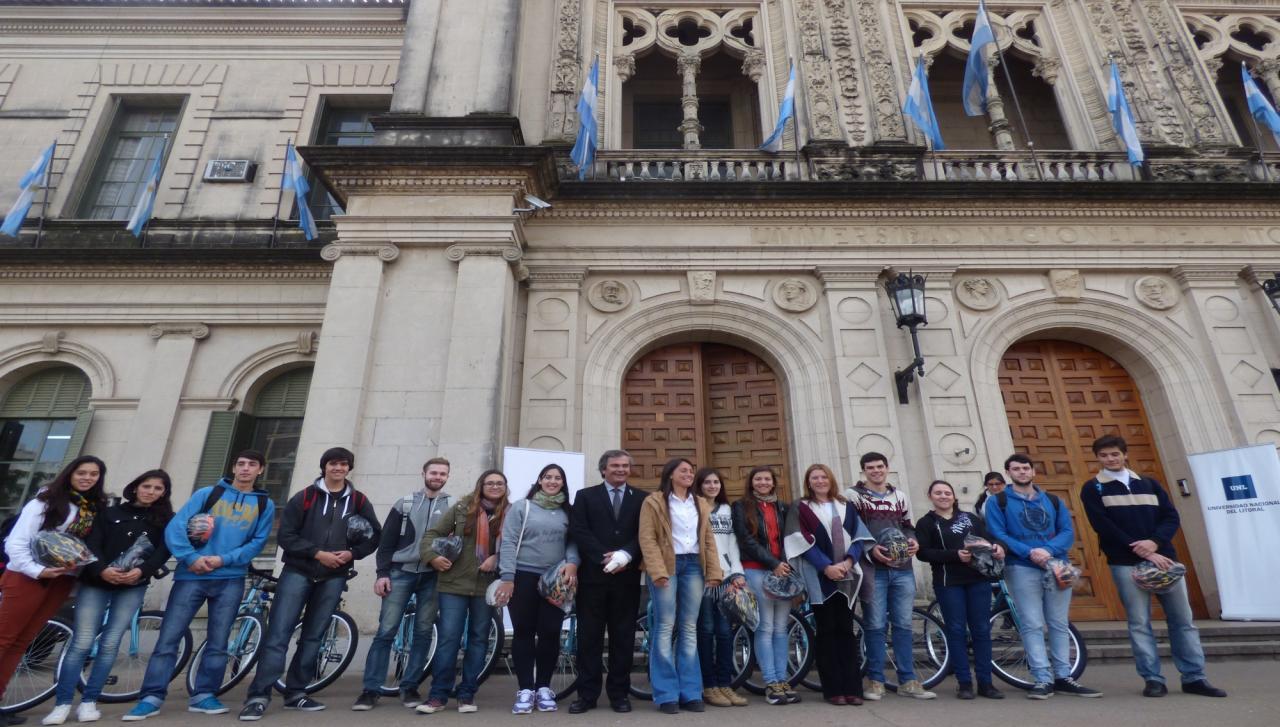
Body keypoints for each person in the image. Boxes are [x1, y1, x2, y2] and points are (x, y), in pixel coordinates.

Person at [124, 450, 274, 720]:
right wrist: (190, 557)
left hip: (230, 578)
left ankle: (204, 694)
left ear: (260, 470)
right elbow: (176, 527)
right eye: (241, 464)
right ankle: (151, 697)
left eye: (252, 465)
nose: (245, 469)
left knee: (219, 640)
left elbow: (258, 541)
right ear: (234, 467)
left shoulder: (264, 504)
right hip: (191, 576)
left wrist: (223, 559)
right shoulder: (208, 493)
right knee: (169, 638)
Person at [239, 448, 381, 720]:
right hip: (298, 572)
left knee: (314, 636)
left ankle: (296, 693)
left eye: (343, 464)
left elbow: (374, 535)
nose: (338, 468)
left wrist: (353, 554)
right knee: (278, 635)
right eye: (333, 463)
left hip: (334, 576)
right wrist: (316, 553)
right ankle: (258, 695)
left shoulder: (360, 501)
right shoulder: (304, 497)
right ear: (324, 466)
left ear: (349, 468)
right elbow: (286, 536)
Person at [1079, 435, 1226, 699]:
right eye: (1104, 455)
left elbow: (1170, 516)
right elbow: (1102, 525)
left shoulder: (1150, 483)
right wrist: (1142, 549)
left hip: (1165, 560)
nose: (1110, 459)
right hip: (1126, 562)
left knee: (1183, 621)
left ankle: (1194, 677)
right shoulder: (1093, 488)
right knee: (1139, 622)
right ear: (1097, 458)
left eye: (1114, 454)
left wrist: (1155, 543)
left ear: (1125, 454)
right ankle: (1153, 679)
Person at [46, 469, 174, 726]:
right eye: (146, 486)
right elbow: (92, 543)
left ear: (164, 493)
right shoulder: (108, 512)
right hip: (96, 582)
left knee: (110, 643)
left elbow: (163, 551)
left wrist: (142, 571)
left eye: (158, 488)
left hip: (133, 585)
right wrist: (102, 569)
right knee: (81, 641)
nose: (151, 492)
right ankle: (62, 703)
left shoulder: (166, 520)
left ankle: (89, 701)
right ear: (135, 487)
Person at [1, 455, 108, 727]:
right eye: (82, 472)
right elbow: (16, 542)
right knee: (4, 638)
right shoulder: (45, 501)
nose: (87, 478)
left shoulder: (90, 508)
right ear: (70, 473)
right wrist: (37, 571)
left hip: (60, 581)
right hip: (27, 577)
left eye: (94, 474)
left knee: (22, 642)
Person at [984, 453, 1101, 700]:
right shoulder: (998, 501)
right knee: (1032, 623)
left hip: (1058, 565)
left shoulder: (1054, 500)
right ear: (1008, 473)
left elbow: (1067, 532)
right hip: (1021, 567)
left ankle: (1064, 676)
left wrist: (1047, 550)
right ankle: (1042, 678)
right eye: (1016, 469)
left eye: (1026, 468)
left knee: (1059, 623)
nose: (1022, 472)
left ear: (1033, 471)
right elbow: (998, 533)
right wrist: (1029, 552)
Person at [355, 458, 452, 710]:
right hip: (400, 572)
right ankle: (370, 690)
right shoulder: (405, 503)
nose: (437, 477)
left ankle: (409, 687)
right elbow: (386, 542)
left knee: (423, 632)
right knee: (386, 631)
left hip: (433, 576)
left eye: (442, 474)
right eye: (434, 472)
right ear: (424, 473)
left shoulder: (452, 506)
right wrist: (382, 573)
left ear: (447, 477)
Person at [415, 470, 509, 714]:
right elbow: (432, 535)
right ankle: (438, 695)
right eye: (490, 483)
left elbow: (517, 545)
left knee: (478, 639)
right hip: (454, 584)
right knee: (449, 639)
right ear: (481, 486)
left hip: (486, 586)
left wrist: (497, 557)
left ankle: (467, 694)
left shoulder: (511, 513)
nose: (495, 486)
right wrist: (432, 557)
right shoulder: (461, 509)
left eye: (500, 483)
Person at [782, 464, 873, 707]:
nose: (820, 481)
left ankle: (853, 688)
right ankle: (833, 690)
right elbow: (800, 541)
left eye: (824, 477)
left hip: (846, 574)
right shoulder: (801, 507)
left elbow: (858, 537)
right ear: (808, 482)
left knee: (846, 630)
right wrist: (826, 567)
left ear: (830, 480)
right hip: (819, 576)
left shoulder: (845, 505)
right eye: (815, 478)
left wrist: (848, 561)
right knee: (826, 630)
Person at [492, 464, 580, 714]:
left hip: (555, 579)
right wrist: (507, 577)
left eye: (557, 478)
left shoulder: (568, 511)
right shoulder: (522, 507)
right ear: (539, 480)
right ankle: (525, 689)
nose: (552, 481)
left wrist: (572, 563)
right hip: (523, 577)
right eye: (548, 477)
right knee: (524, 631)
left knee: (551, 632)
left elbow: (573, 541)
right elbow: (508, 541)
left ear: (563, 483)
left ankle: (543, 687)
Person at [845, 452, 934, 700]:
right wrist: (870, 548)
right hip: (873, 569)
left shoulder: (899, 496)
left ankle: (908, 680)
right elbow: (851, 528)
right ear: (863, 470)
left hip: (902, 569)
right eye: (870, 467)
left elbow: (906, 525)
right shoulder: (853, 495)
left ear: (887, 468)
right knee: (875, 625)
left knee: (903, 624)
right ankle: (876, 681)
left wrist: (913, 540)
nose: (876, 471)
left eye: (880, 466)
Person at [637, 458, 723, 714]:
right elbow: (647, 538)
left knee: (688, 628)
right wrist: (657, 571)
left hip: (694, 565)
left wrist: (714, 571)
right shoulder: (654, 501)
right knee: (664, 627)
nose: (689, 474)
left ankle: (691, 692)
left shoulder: (700, 503)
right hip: (667, 565)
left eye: (691, 471)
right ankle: (666, 694)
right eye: (683, 470)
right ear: (670, 475)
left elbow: (708, 540)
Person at [567, 450, 645, 715]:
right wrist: (604, 556)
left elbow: (644, 533)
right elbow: (579, 530)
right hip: (593, 578)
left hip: (627, 578)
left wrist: (626, 555)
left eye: (625, 465)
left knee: (623, 639)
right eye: (615, 466)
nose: (621, 470)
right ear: (603, 469)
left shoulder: (642, 498)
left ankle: (619, 694)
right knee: (589, 638)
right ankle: (587, 695)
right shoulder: (585, 496)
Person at [915, 479, 1005, 700]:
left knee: (981, 630)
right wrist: (954, 555)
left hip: (978, 579)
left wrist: (997, 546)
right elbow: (923, 553)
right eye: (938, 493)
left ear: (954, 496)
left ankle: (986, 682)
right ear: (930, 497)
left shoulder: (970, 518)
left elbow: (989, 538)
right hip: (949, 582)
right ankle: (964, 682)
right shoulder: (926, 522)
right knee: (956, 631)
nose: (943, 496)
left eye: (947, 492)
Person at [731, 465, 794, 705]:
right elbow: (745, 539)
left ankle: (782, 680)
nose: (763, 482)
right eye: (758, 479)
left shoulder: (783, 507)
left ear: (773, 482)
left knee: (781, 628)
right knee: (765, 627)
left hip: (783, 572)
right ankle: (770, 682)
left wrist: (783, 565)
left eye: (767, 479)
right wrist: (773, 563)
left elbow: (790, 539)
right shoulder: (741, 506)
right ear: (751, 482)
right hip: (756, 570)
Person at [693, 468, 747, 708]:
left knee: (724, 632)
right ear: (699, 485)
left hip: (725, 578)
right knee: (705, 631)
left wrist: (737, 572)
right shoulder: (693, 508)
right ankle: (709, 685)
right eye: (707, 482)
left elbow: (733, 543)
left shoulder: (727, 510)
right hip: (703, 578)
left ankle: (725, 684)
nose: (712, 486)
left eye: (716, 482)